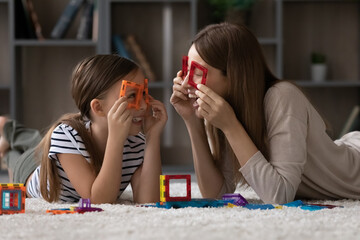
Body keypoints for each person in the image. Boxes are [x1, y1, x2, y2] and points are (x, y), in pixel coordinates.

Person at [170, 22, 360, 204]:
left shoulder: (282, 95)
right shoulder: (228, 108)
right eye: (186, 68)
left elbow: (279, 196)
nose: (185, 83)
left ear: (233, 74)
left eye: (196, 72)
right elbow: (216, 193)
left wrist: (231, 126)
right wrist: (191, 121)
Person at [0, 54, 167, 204]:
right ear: (99, 108)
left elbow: (149, 200)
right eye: (132, 95)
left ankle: (7, 140)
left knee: (38, 141)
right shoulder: (66, 136)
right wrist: (116, 139)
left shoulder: (135, 143)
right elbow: (99, 200)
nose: (144, 105)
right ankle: (7, 128)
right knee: (18, 153)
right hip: (29, 168)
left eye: (144, 93)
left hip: (58, 151)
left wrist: (152, 137)